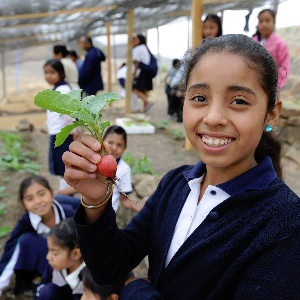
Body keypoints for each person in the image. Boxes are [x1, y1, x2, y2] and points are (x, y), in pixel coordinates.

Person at [62, 34, 300, 299]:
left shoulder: (287, 224)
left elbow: (128, 284)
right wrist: (95, 202)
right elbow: (110, 266)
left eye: (239, 101)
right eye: (199, 97)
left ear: (272, 114)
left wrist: (137, 291)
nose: (214, 117)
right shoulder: (176, 184)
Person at [0, 176, 75, 297]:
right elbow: (10, 252)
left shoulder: (70, 215)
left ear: (51, 193)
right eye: (30, 199)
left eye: (41, 194)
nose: (38, 201)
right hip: (50, 262)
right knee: (25, 240)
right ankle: (32, 282)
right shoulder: (26, 221)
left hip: (72, 262)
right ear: (23, 203)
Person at [44, 59, 80, 191]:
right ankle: (65, 193)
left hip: (62, 133)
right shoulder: (58, 89)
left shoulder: (63, 90)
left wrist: (75, 129)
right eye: (46, 72)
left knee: (64, 166)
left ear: (61, 73)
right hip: (57, 132)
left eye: (52, 72)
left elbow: (69, 113)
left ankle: (65, 195)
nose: (48, 75)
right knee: (62, 166)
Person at [34, 218, 85, 300]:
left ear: (75, 254)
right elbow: (42, 288)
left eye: (55, 253)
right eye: (49, 250)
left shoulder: (92, 280)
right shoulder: (55, 267)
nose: (48, 257)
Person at [170, 14, 222, 89]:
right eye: (205, 27)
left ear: (219, 29)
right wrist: (175, 82)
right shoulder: (199, 46)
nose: (208, 31)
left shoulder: (223, 48)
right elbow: (185, 65)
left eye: (212, 27)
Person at [252, 9, 290, 90]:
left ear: (274, 23)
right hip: (253, 85)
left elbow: (284, 67)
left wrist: (276, 86)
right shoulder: (252, 42)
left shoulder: (280, 44)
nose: (264, 24)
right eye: (261, 21)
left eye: (267, 20)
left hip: (272, 87)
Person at [132, 33, 154, 113]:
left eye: (135, 39)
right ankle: (145, 111)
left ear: (139, 40)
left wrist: (133, 74)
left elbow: (137, 62)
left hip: (142, 73)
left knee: (136, 90)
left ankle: (148, 102)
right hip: (147, 72)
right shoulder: (145, 48)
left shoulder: (138, 48)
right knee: (144, 91)